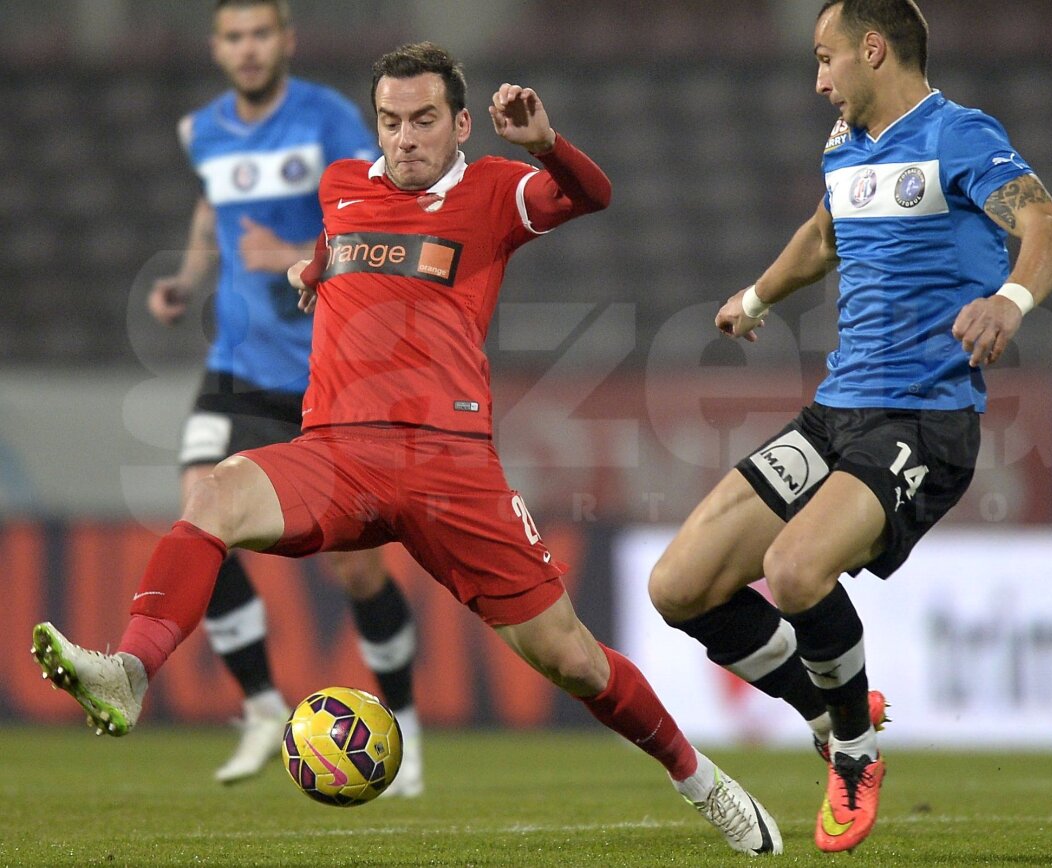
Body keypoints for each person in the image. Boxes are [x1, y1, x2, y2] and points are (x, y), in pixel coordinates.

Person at [33, 41, 783, 855]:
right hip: (336, 454)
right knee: (211, 494)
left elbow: (591, 193)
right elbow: (341, 247)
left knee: (572, 661)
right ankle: (132, 672)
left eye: (424, 120)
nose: (406, 138)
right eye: (391, 121)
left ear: (461, 123)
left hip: (449, 465)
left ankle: (701, 782)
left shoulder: (494, 191)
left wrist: (543, 143)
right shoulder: (343, 187)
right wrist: (312, 267)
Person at [647, 0, 1052, 855]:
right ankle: (830, 708)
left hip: (926, 418)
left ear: (872, 49)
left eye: (826, 58)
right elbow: (822, 233)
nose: (818, 79)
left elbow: (1046, 226)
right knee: (678, 586)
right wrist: (757, 298)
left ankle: (853, 751)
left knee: (795, 570)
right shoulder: (845, 147)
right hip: (838, 411)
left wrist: (1009, 299)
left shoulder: (958, 134)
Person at [145, 0, 422, 794]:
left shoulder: (329, 120)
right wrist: (188, 280)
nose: (249, 48)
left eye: (261, 33)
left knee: (358, 572)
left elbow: (380, 221)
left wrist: (295, 253)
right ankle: (265, 705)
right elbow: (212, 211)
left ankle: (404, 718)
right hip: (236, 363)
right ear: (218, 48)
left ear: (286, 41)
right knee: (198, 507)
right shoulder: (203, 132)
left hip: (324, 373)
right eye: (234, 36)